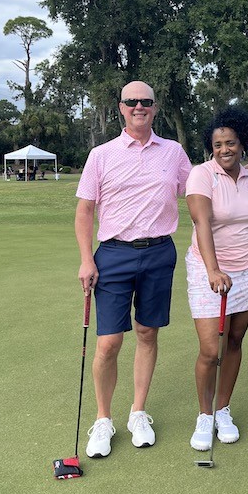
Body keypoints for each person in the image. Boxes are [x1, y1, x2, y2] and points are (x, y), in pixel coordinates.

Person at [75, 81, 191, 459]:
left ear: (155, 108)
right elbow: (85, 211)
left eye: (146, 102)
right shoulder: (102, 154)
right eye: (132, 102)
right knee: (109, 343)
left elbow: (199, 190)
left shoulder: (173, 152)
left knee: (146, 332)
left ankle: (138, 412)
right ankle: (104, 419)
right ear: (121, 108)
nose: (139, 106)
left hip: (159, 252)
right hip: (113, 254)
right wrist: (86, 258)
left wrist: (243, 169)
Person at [185, 107, 248, 451]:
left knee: (234, 341)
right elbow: (203, 223)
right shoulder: (202, 175)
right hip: (209, 271)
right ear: (210, 147)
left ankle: (223, 409)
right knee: (210, 349)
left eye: (230, 143)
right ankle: (205, 415)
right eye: (217, 144)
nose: (224, 149)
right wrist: (213, 269)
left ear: (241, 144)